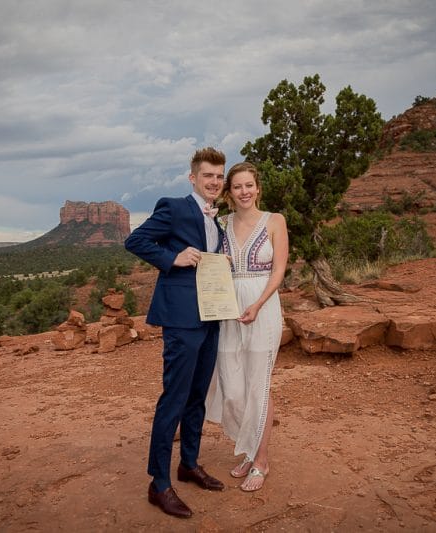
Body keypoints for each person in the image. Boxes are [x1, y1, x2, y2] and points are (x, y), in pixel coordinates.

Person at [124, 147, 228, 519]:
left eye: (219, 176)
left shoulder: (218, 220)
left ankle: (189, 464)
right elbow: (135, 241)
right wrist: (173, 258)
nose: (214, 182)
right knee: (174, 398)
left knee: (198, 395)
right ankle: (159, 483)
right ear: (193, 178)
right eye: (207, 176)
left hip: (212, 316)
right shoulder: (175, 206)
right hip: (182, 320)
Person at [205, 161, 289, 492]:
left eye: (249, 185)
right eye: (237, 186)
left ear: (258, 188)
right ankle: (249, 449)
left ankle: (261, 459)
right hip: (228, 309)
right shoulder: (220, 223)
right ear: (230, 192)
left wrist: (257, 304)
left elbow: (279, 270)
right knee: (233, 390)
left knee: (259, 386)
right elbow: (209, 261)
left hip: (263, 306)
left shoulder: (275, 221)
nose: (244, 191)